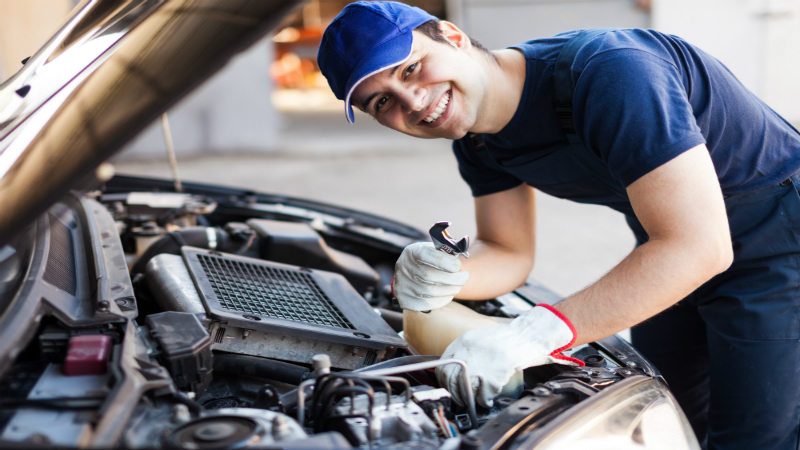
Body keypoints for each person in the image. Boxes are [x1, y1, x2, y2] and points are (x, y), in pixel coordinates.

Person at [316, 2, 800, 449]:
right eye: (381, 103)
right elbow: (508, 250)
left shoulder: (609, 72)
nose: (413, 102)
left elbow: (699, 246)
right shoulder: (480, 142)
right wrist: (449, 274)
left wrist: (532, 334)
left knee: (756, 440)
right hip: (670, 253)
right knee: (668, 419)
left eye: (411, 68)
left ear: (452, 35)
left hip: (778, 248)